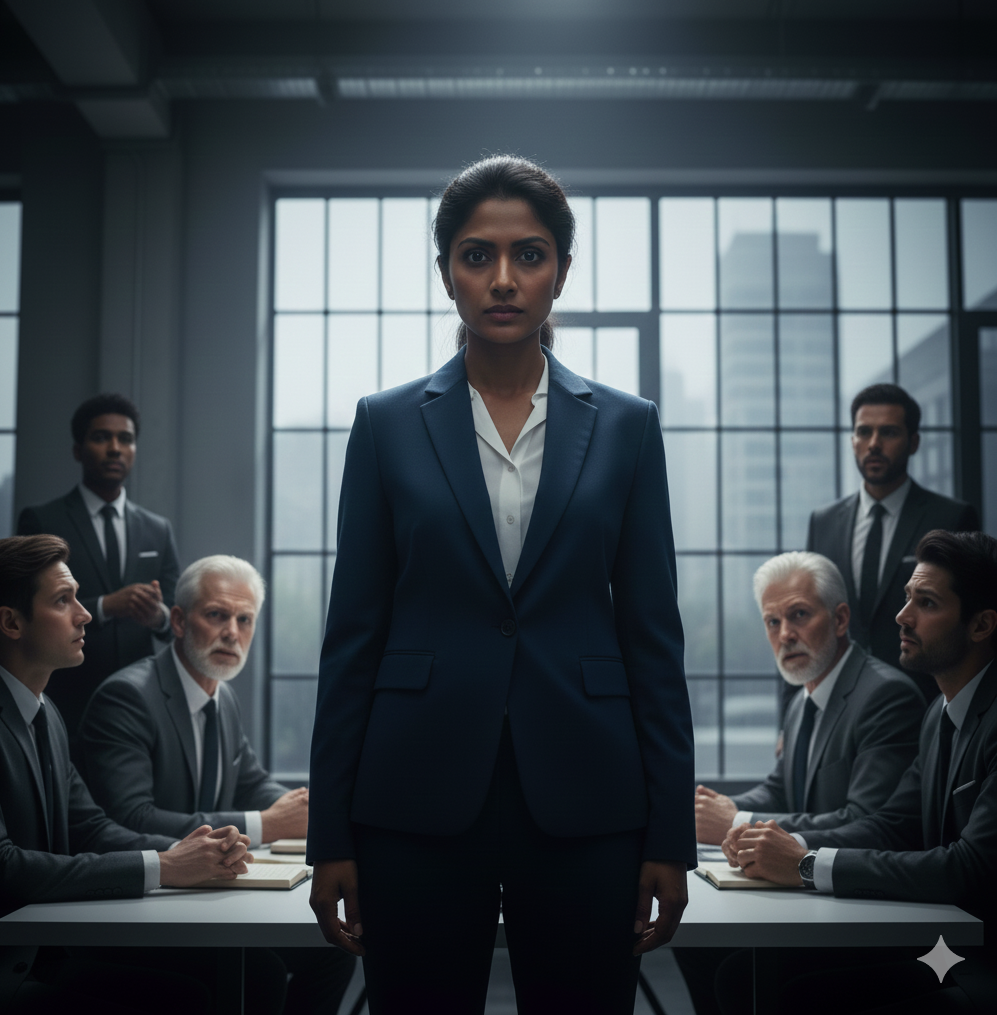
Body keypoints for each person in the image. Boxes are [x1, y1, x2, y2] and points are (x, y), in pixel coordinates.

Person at [306, 155, 695, 1015]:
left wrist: (671, 833)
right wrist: (328, 835)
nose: (504, 279)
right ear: (446, 273)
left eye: (530, 254)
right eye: (477, 256)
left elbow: (652, 637)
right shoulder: (384, 424)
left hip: (590, 794)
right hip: (413, 795)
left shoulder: (628, 426)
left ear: (561, 269)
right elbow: (353, 637)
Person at [722, 530, 997, 1014]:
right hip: (946, 945)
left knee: (789, 991)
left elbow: (966, 868)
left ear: (981, 626)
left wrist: (804, 867)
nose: (902, 616)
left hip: (974, 959)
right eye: (908, 597)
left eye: (926, 603)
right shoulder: (939, 714)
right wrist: (789, 848)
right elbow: (893, 824)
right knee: (757, 980)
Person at [0, 535, 252, 1012]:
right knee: (193, 998)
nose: (85, 614)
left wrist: (192, 855)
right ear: (10, 622)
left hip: (49, 951)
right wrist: (166, 867)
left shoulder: (48, 715)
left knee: (244, 977)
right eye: (64, 601)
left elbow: (91, 827)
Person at [79, 555, 355, 1015]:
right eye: (217, 615)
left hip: (203, 896)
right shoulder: (127, 696)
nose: (232, 631)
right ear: (180, 621)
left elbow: (250, 780)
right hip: (140, 906)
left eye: (244, 619)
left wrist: (310, 811)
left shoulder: (221, 695)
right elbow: (131, 816)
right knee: (259, 971)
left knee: (330, 954)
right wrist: (267, 824)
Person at [678, 551, 924, 1015]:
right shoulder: (802, 696)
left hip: (870, 908)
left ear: (840, 619)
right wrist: (716, 811)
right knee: (693, 943)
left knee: (735, 967)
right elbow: (777, 789)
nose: (784, 635)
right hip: (808, 896)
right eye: (772, 622)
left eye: (798, 615)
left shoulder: (884, 695)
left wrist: (737, 820)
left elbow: (867, 819)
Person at [17, 393, 180, 738]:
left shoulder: (158, 530)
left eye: (126, 439)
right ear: (78, 450)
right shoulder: (42, 521)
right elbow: (26, 610)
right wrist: (107, 606)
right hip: (65, 699)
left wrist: (158, 617)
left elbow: (175, 616)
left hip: (141, 704)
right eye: (101, 437)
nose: (115, 448)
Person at [806, 384, 978, 698]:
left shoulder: (952, 519)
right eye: (863, 432)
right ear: (852, 440)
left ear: (913, 442)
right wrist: (793, 709)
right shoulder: (823, 522)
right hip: (840, 707)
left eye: (888, 432)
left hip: (922, 703)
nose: (873, 444)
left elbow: (968, 626)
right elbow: (805, 614)